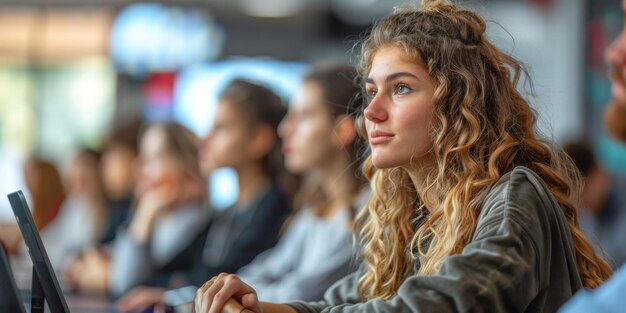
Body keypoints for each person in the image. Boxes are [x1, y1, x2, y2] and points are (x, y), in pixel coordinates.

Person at [194, 1, 612, 313]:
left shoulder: (515, 195)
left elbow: (448, 303)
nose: (371, 113)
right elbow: (342, 299)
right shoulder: (413, 217)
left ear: (456, 102)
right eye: (372, 91)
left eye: (401, 88)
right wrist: (258, 306)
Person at [116, 79, 293, 311]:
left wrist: (172, 294)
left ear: (258, 140)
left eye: (221, 128)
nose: (204, 138)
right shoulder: (230, 211)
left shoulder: (274, 210)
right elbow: (184, 273)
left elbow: (225, 276)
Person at [234, 65, 366, 302]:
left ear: (342, 130)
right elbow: (261, 272)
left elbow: (305, 294)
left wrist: (239, 297)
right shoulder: (314, 209)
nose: (285, 129)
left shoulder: (367, 210)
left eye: (302, 116)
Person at [67, 122, 210, 295]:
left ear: (185, 166)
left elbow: (127, 284)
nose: (138, 168)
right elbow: (97, 258)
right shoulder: (164, 219)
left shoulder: (199, 226)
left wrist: (146, 214)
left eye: (152, 159)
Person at [41, 148, 109, 273]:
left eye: (84, 181)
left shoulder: (104, 209)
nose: (78, 188)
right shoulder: (72, 205)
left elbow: (89, 249)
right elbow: (47, 239)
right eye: (74, 181)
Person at [563, 141, 626, 268]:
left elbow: (610, 262)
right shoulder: (592, 213)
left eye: (583, 198)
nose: (582, 206)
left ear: (598, 173)